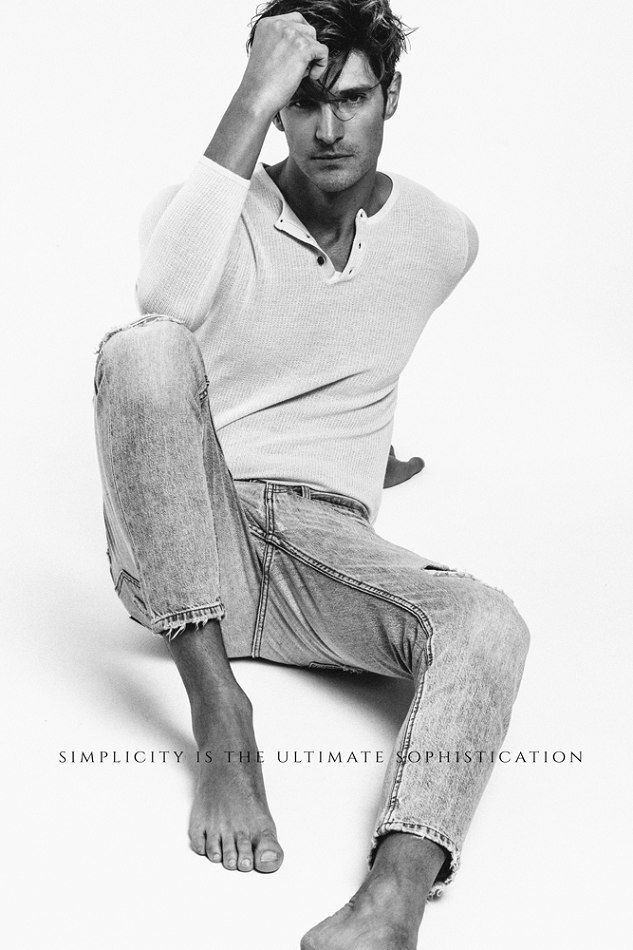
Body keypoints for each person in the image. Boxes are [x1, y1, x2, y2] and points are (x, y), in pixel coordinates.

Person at [93, 2, 530, 946]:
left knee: (488, 620)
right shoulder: (200, 210)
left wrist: (371, 455)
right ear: (277, 109)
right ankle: (221, 714)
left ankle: (392, 900)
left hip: (324, 551)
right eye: (303, 102)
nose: (329, 129)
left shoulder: (441, 238)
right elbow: (162, 305)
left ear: (391, 96)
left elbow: (361, 341)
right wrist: (251, 94)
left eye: (353, 99)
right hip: (190, 532)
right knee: (144, 349)